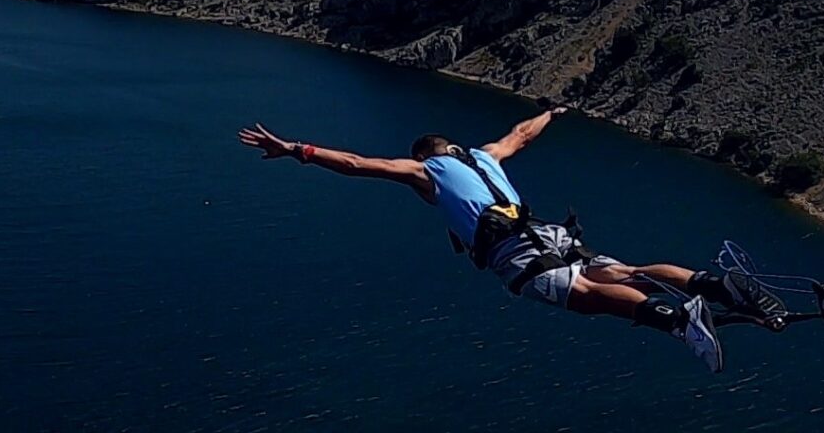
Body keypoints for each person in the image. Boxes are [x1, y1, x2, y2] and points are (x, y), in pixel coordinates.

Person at [236, 105, 780, 371]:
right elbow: (521, 134)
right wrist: (554, 111)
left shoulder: (426, 172)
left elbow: (357, 164)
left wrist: (295, 150)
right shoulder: (484, 155)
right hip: (544, 229)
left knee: (586, 299)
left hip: (511, 249)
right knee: (622, 271)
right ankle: (714, 285)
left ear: (426, 154)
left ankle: (676, 320)